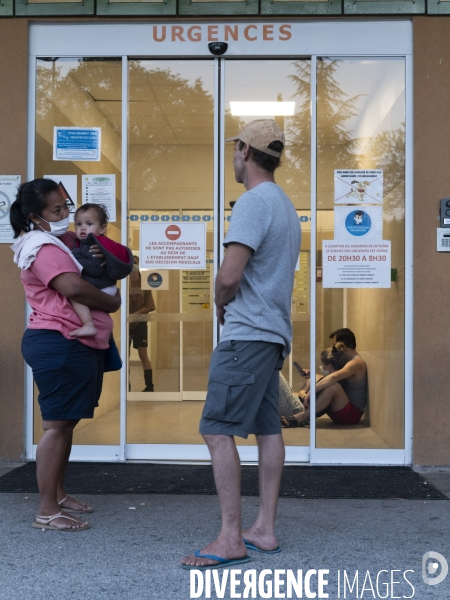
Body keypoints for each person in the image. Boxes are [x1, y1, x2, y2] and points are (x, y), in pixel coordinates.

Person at [181, 119, 301, 570]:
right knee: (269, 429)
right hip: (271, 337)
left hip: (246, 335)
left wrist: (219, 303)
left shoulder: (253, 202)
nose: (234, 158)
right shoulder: (285, 206)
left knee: (216, 429)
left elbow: (230, 276)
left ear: (243, 150)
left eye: (235, 151)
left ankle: (231, 537)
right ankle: (263, 530)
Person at [10, 178, 121, 531]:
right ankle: (46, 510)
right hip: (59, 341)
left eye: (65, 208)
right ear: (35, 216)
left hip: (72, 342)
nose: (63, 215)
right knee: (56, 426)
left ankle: (56, 494)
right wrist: (113, 303)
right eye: (55, 210)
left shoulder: (57, 241)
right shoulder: (40, 245)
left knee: (66, 422)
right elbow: (71, 286)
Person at [70, 203, 133, 338]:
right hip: (105, 287)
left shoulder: (94, 245)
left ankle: (88, 324)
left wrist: (71, 257)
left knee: (75, 296)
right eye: (79, 224)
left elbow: (94, 269)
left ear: (102, 228)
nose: (83, 228)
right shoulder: (86, 244)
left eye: (89, 224)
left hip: (104, 286)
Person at [287, 328, 367, 426]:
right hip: (340, 407)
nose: (333, 348)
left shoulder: (356, 363)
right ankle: (304, 409)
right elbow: (334, 376)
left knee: (333, 386)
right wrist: (312, 374)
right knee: (317, 377)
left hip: (351, 414)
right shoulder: (348, 361)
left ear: (343, 344)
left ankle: (302, 416)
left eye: (334, 345)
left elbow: (334, 377)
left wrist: (312, 391)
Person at [129, 255, 156, 392]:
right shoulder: (123, 281)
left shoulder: (145, 281)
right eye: (130, 262)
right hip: (126, 323)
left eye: (135, 262)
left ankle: (149, 386)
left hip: (140, 322)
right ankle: (126, 385)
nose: (132, 265)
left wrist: (135, 315)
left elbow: (149, 305)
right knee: (125, 354)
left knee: (143, 354)